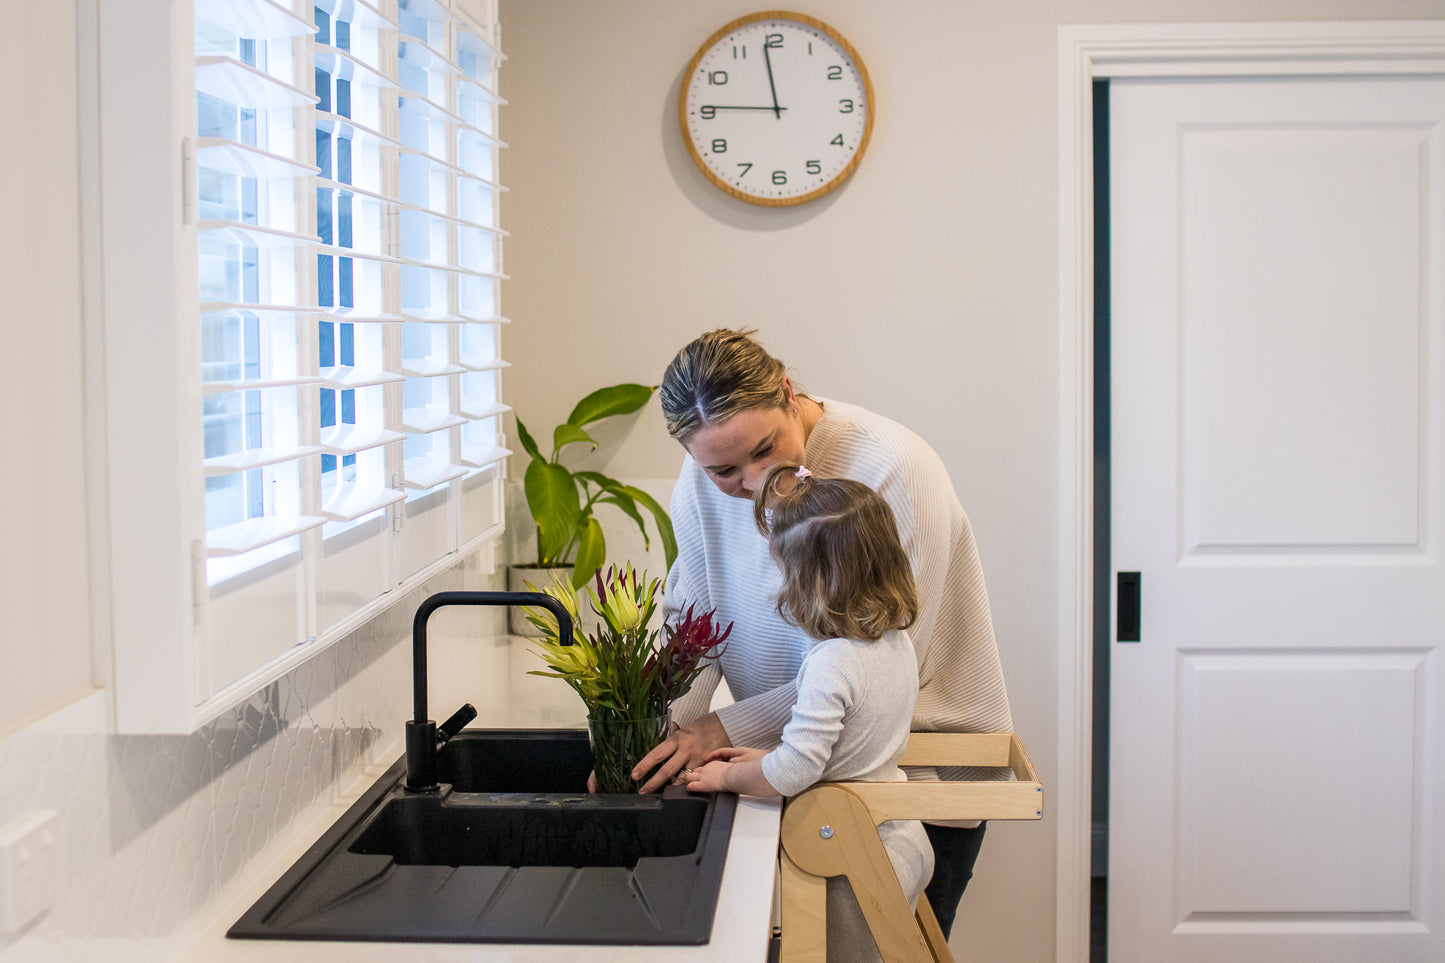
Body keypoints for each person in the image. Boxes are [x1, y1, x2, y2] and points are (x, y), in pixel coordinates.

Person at [635, 327, 1013, 938]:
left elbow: (876, 667)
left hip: (914, 774)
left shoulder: (895, 468)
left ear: (788, 392)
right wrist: (651, 736)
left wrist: (719, 730)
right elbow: (692, 625)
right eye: (725, 469)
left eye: (765, 450)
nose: (755, 481)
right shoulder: (699, 480)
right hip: (806, 764)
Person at [680, 464, 933, 961]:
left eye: (786, 573)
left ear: (814, 583)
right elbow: (850, 749)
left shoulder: (831, 662)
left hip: (852, 854)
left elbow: (797, 769)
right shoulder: (893, 642)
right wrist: (759, 760)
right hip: (900, 836)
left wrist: (727, 780)